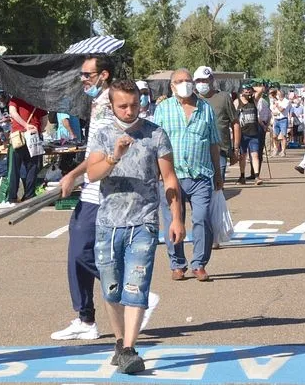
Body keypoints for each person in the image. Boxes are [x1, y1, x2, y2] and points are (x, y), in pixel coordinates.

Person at [85, 79, 186, 374]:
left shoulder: (155, 134)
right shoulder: (103, 133)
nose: (130, 111)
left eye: (135, 105)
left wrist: (177, 217)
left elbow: (169, 179)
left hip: (143, 222)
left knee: (136, 287)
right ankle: (119, 342)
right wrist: (115, 155)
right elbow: (92, 174)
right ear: (112, 105)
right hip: (108, 223)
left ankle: (129, 348)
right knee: (111, 289)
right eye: (123, 106)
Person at [51, 55, 117, 341]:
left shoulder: (109, 104)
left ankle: (127, 292)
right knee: (77, 251)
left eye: (87, 75)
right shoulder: (98, 103)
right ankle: (85, 317)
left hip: (101, 189)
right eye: (81, 75)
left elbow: (99, 154)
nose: (83, 80)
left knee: (81, 251)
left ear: (104, 75)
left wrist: (73, 174)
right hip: (92, 186)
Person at [155, 68, 223, 281]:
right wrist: (156, 171)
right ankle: (177, 264)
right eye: (179, 81)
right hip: (170, 176)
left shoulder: (205, 109)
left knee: (202, 218)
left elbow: (213, 143)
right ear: (171, 86)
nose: (184, 84)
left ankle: (199, 264)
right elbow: (154, 143)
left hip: (201, 175)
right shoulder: (163, 109)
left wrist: (218, 173)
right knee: (173, 220)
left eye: (187, 80)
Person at [193, 66, 240, 183]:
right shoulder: (193, 99)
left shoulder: (223, 98)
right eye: (198, 80)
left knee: (218, 189)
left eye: (204, 80)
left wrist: (236, 150)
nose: (201, 83)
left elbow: (235, 123)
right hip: (198, 152)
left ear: (211, 79)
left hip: (221, 151)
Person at [0, 96, 46, 207]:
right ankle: (29, 195)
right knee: (32, 167)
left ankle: (11, 198)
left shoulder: (16, 99)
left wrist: (25, 125)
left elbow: (13, 113)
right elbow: (45, 119)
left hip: (18, 137)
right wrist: (38, 130)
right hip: (34, 137)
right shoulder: (38, 99)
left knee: (14, 169)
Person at [235, 83, 265, 185]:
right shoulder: (237, 102)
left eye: (249, 91)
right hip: (242, 134)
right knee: (242, 156)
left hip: (254, 133)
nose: (248, 93)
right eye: (246, 91)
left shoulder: (254, 100)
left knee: (255, 155)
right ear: (241, 92)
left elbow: (261, 89)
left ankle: (257, 176)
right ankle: (242, 175)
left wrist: (251, 87)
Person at [269, 88, 290, 157]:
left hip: (283, 120)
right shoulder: (275, 101)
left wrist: (277, 105)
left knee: (283, 136)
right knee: (274, 136)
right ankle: (276, 148)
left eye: (277, 94)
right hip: (276, 119)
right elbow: (272, 109)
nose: (276, 95)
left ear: (281, 94)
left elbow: (281, 109)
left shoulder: (286, 101)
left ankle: (283, 150)